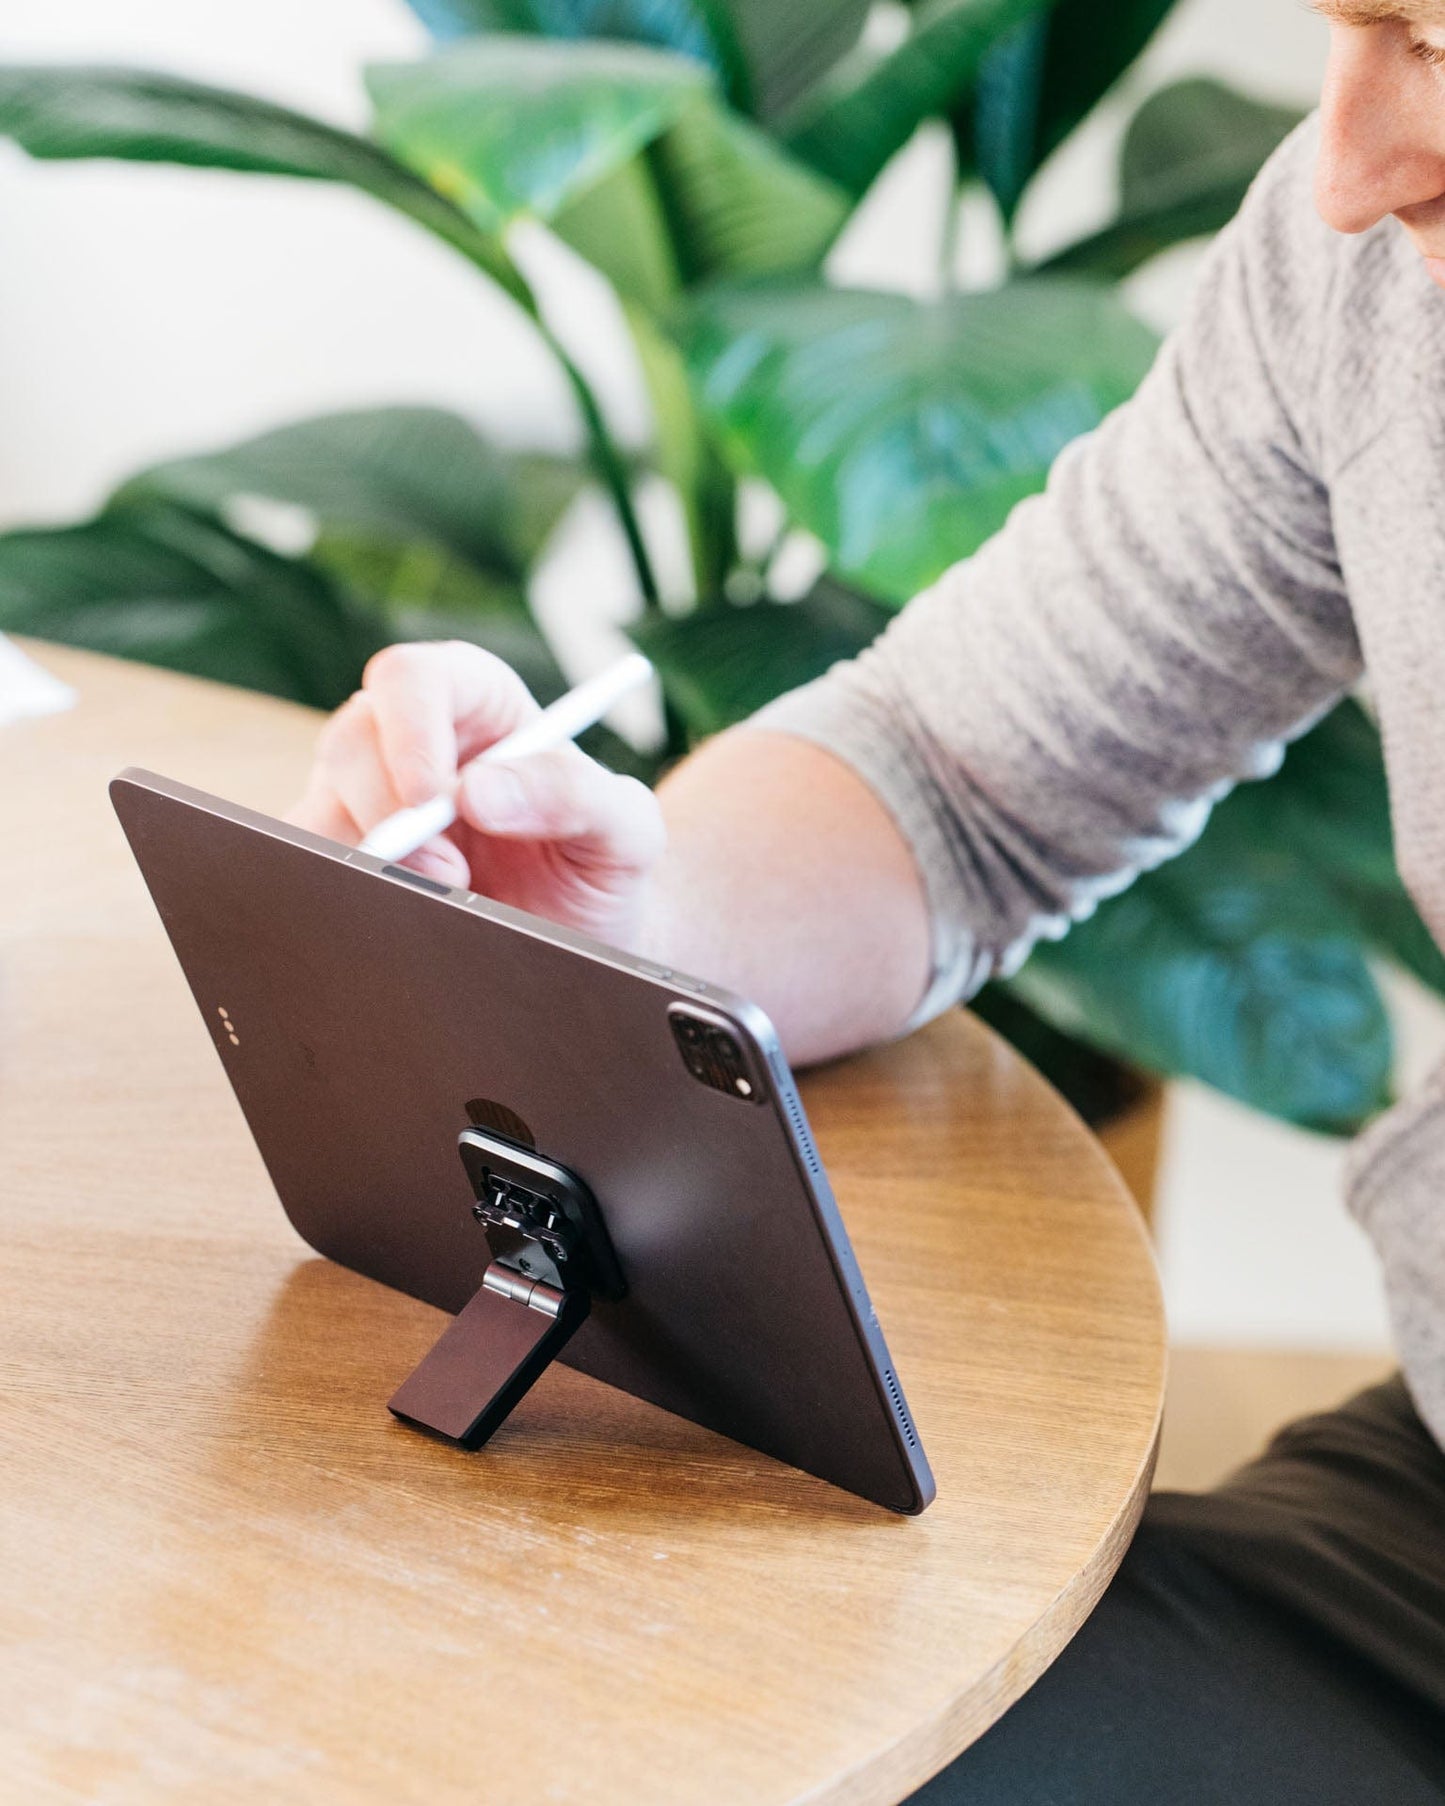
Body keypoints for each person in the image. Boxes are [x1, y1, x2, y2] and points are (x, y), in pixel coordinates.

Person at [292, 4, 1445, 1797]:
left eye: (1442, 48)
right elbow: (957, 768)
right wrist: (619, 908)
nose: (1356, 156)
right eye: (1358, 22)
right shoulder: (1368, 274)